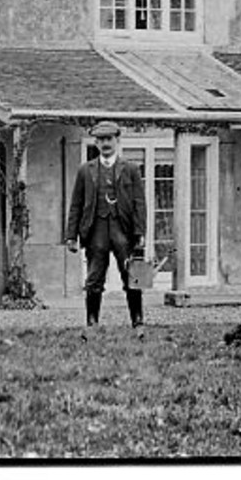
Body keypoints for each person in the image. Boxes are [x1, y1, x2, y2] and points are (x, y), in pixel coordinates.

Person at [64, 120, 148, 336]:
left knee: (132, 276)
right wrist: (71, 236)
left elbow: (140, 203)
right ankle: (91, 323)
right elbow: (76, 204)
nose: (105, 143)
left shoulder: (130, 169)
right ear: (96, 143)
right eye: (101, 140)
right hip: (96, 231)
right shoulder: (86, 170)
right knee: (94, 279)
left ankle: (138, 323)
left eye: (109, 139)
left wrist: (140, 233)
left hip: (124, 230)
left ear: (117, 141)